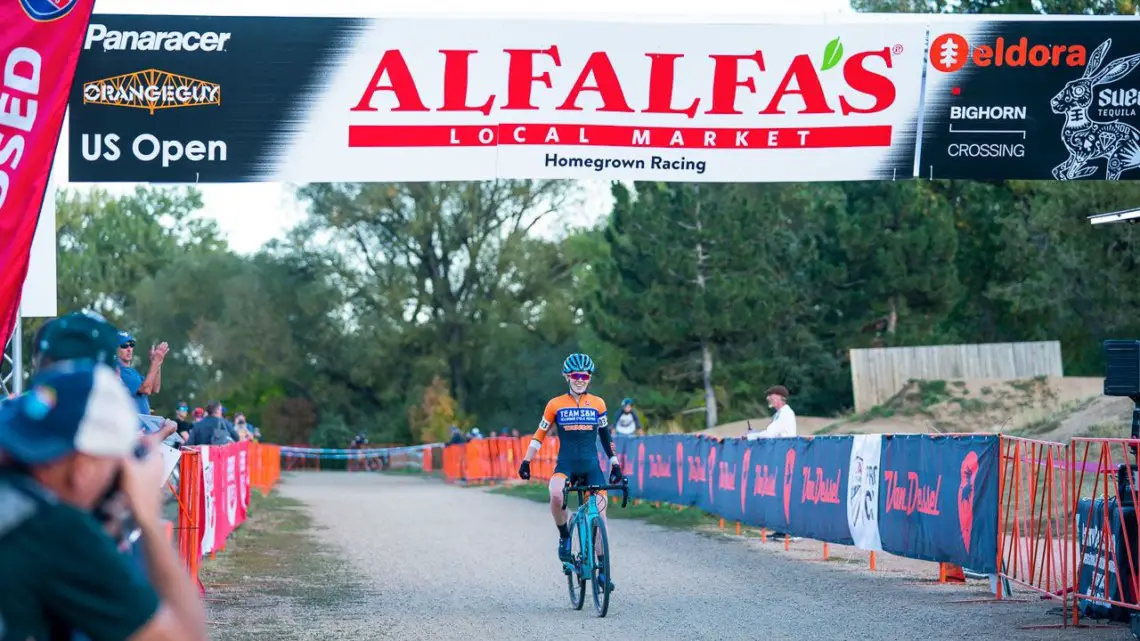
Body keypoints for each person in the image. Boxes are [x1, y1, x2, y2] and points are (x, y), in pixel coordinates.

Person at [0, 360, 208, 641]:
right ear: (84, 469)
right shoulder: (55, 528)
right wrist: (147, 515)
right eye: (115, 464)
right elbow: (184, 635)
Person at [517, 353, 622, 590]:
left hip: (591, 466)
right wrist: (526, 461)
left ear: (589, 378)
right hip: (566, 465)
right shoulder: (555, 404)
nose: (580, 380)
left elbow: (606, 438)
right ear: (567, 377)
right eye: (575, 375)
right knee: (555, 493)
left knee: (601, 517)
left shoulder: (598, 403)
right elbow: (539, 435)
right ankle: (564, 536)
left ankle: (603, 571)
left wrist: (615, 464)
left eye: (584, 376)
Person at [116, 331, 169, 415]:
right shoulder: (119, 370)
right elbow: (146, 390)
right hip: (135, 422)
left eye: (131, 345)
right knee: (171, 425)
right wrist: (155, 362)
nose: (129, 349)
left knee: (171, 424)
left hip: (144, 419)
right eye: (124, 346)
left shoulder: (131, 371)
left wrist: (157, 363)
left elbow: (155, 388)